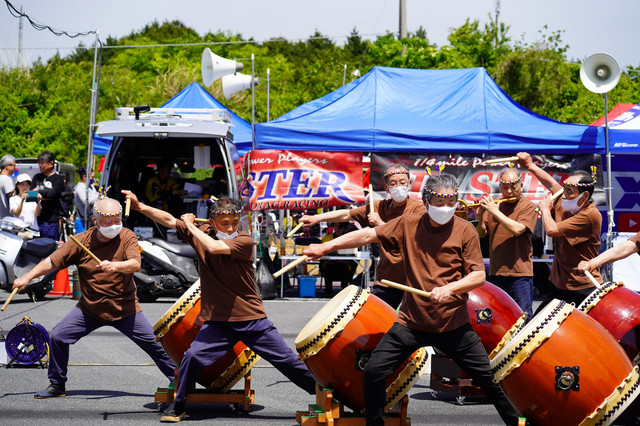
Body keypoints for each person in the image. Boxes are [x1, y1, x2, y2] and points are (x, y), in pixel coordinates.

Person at [303, 173, 519, 426]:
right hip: (411, 322)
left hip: (452, 324)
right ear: (426, 202)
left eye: (451, 202)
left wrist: (450, 288)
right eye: (440, 202)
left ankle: (515, 422)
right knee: (374, 371)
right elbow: (368, 236)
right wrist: (325, 247)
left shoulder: (465, 229)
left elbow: (478, 275)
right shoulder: (409, 223)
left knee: (488, 380)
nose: (446, 208)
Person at [122, 191, 317, 423]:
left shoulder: (244, 241)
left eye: (234, 222)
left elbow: (214, 248)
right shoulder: (203, 232)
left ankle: (326, 394)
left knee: (286, 360)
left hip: (250, 318)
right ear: (212, 222)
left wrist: (190, 225)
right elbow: (169, 220)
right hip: (218, 321)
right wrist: (140, 206)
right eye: (225, 223)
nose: (231, 227)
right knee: (192, 357)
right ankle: (179, 405)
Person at [12, 196, 176, 399]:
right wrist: (26, 278)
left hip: (125, 308)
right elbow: (52, 262)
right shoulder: (81, 241)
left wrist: (116, 265)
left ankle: (179, 382)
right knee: (58, 336)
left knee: (156, 346)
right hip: (89, 309)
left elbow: (135, 264)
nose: (114, 225)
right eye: (108, 221)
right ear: (95, 222)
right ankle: (57, 383)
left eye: (117, 220)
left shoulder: (127, 236)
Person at [299, 163, 424, 308]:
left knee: (413, 320)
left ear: (409, 184)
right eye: (393, 183)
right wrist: (316, 218)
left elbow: (401, 236)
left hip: (413, 280)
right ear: (386, 187)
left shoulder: (419, 209)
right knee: (375, 317)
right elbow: (347, 215)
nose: (398, 187)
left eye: (402, 183)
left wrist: (380, 223)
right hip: (387, 279)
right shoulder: (379, 207)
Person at [517, 152, 601, 310]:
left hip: (582, 285)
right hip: (559, 284)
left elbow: (551, 230)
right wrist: (529, 165)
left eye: (569, 191)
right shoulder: (568, 201)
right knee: (539, 324)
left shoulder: (589, 215)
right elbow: (551, 183)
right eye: (564, 189)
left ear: (584, 196)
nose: (564, 194)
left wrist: (545, 210)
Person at [475, 167, 537, 318]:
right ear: (500, 187)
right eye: (505, 187)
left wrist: (495, 212)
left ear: (521, 186)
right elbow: (481, 234)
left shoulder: (528, 206)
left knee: (522, 317)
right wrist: (479, 216)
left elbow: (517, 229)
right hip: (496, 272)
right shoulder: (495, 205)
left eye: (513, 187)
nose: (509, 191)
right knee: (498, 316)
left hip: (519, 274)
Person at [32, 150, 66, 240]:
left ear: (51, 164)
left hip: (50, 221)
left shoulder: (58, 179)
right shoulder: (37, 177)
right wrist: (42, 195)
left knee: (50, 245)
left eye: (42, 163)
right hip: (35, 220)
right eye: (39, 163)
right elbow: (31, 194)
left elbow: (53, 193)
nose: (40, 166)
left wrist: (38, 192)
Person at [319, 221, 359, 296]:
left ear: (344, 228)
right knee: (328, 269)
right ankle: (328, 291)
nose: (338, 229)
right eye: (336, 226)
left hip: (344, 265)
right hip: (330, 264)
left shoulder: (349, 239)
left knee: (343, 269)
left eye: (340, 227)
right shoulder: (326, 238)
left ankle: (344, 291)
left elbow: (354, 255)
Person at [73, 166, 99, 233]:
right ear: (84, 177)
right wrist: (98, 195)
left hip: (90, 220)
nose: (93, 179)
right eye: (92, 177)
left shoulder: (91, 187)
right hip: (82, 221)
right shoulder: (80, 187)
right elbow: (88, 201)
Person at [0, 154, 16, 218]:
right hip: (6, 218)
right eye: (14, 165)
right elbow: (12, 198)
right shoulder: (7, 179)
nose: (15, 168)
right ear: (7, 166)